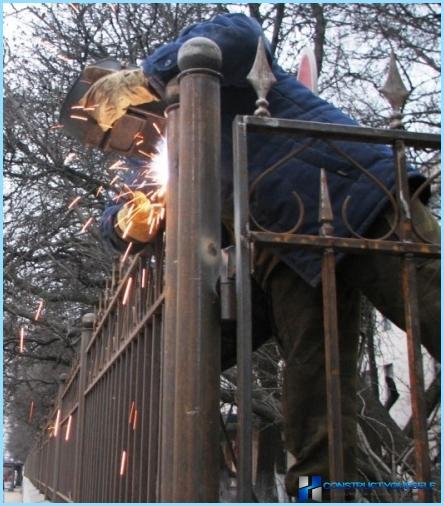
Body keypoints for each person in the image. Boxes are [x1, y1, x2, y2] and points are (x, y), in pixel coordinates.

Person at [79, 13, 440, 497]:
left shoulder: (202, 68)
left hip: (359, 195)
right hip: (287, 254)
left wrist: (150, 73)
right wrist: (124, 224)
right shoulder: (155, 151)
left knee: (433, 311)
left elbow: (239, 34)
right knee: (315, 406)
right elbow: (118, 209)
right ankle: (321, 494)